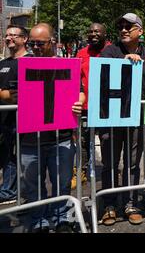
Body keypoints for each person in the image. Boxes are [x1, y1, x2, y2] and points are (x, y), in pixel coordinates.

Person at [5, 23, 85, 232]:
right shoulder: (21, 65)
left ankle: (63, 220)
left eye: (40, 43)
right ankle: (38, 221)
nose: (35, 47)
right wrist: (15, 96)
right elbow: (10, 93)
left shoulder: (66, 65)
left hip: (61, 138)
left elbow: (80, 91)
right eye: (32, 43)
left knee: (63, 183)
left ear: (52, 42)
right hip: (30, 140)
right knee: (33, 186)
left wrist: (79, 101)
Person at [98, 13, 145, 226]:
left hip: (138, 118)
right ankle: (109, 205)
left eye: (129, 26)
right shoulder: (111, 50)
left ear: (140, 31)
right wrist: (122, 61)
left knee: (133, 163)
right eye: (121, 26)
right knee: (110, 163)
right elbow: (101, 69)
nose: (124, 30)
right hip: (112, 117)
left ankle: (131, 203)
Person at [71, 23, 110, 190]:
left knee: (107, 141)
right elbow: (74, 79)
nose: (93, 34)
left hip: (106, 108)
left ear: (105, 34)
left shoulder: (112, 51)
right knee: (82, 141)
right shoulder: (81, 53)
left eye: (97, 31)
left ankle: (110, 171)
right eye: (91, 31)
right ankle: (81, 171)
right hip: (85, 107)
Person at [0, 25, 32, 205]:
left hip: (22, 120)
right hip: (4, 121)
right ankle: (9, 189)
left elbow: (16, 94)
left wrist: (4, 94)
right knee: (7, 156)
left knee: (22, 158)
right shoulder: (3, 63)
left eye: (13, 35)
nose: (9, 38)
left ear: (24, 39)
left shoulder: (30, 61)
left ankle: (17, 193)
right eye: (7, 35)